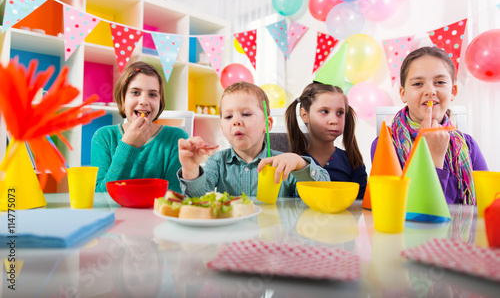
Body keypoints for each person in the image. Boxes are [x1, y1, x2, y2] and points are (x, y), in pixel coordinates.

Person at [371, 46, 488, 204]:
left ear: (453, 91)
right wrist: (433, 159)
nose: (430, 91)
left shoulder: (468, 145)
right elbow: (403, 210)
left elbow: (486, 203)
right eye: (418, 84)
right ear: (403, 94)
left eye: (439, 82)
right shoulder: (385, 145)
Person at [177, 81, 329, 197]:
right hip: (232, 236)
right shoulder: (217, 162)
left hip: (275, 235)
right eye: (229, 116)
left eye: (246, 114)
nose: (236, 121)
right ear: (223, 129)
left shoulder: (285, 164)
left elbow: (322, 192)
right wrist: (190, 171)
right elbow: (197, 200)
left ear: (267, 124)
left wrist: (300, 164)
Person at [91, 61, 187, 193]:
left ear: (160, 101)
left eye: (153, 94)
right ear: (123, 98)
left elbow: (173, 195)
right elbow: (101, 196)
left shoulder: (176, 138)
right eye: (135, 92)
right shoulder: (104, 137)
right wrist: (128, 146)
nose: (144, 101)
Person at [285, 82, 367, 199]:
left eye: (340, 113)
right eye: (324, 111)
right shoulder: (291, 163)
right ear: (304, 115)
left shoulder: (353, 163)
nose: (334, 120)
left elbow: (360, 209)